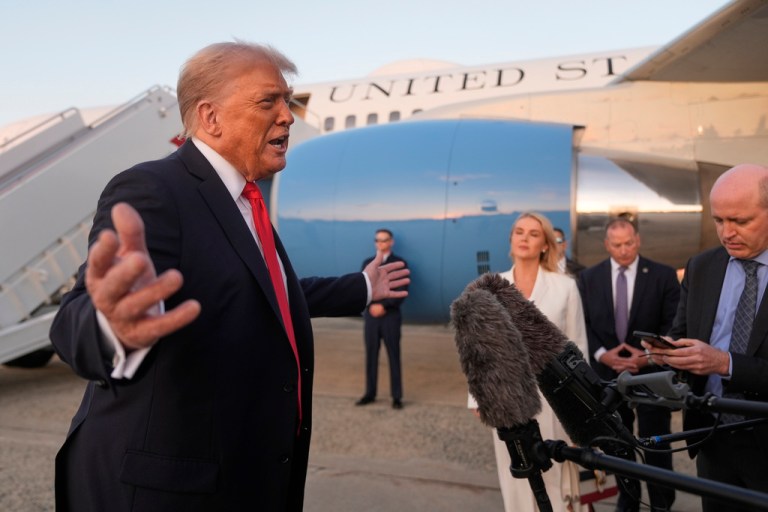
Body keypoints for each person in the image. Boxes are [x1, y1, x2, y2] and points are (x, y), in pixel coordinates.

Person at [48, 42, 409, 512]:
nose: (288, 116)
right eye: (268, 101)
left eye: (287, 100)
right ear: (211, 117)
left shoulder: (243, 200)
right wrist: (109, 326)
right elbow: (76, 318)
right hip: (168, 492)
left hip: (243, 476)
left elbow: (261, 293)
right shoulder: (155, 189)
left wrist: (361, 287)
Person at [648, 164, 768, 512]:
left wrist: (724, 363)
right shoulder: (701, 267)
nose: (727, 232)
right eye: (718, 220)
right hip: (713, 440)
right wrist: (669, 354)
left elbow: (718, 359)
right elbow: (682, 335)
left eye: (740, 221)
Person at [469, 212, 589, 512]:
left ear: (545, 245)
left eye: (534, 234)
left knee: (555, 474)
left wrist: (582, 406)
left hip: (555, 398)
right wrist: (477, 396)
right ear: (511, 239)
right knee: (517, 478)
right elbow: (479, 350)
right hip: (505, 398)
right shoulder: (489, 288)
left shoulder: (564, 286)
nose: (524, 238)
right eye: (519, 232)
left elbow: (578, 347)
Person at [578, 218, 679, 512]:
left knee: (656, 444)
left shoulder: (663, 275)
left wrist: (647, 355)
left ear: (638, 240)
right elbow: (583, 323)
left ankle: (661, 503)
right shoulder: (588, 278)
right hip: (607, 375)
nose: (624, 250)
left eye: (629, 243)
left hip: (651, 374)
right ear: (607, 245)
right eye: (617, 244)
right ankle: (628, 501)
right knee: (617, 445)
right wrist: (602, 354)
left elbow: (674, 323)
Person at [355, 229, 408, 409]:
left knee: (393, 355)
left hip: (390, 316)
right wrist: (371, 306)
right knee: (371, 355)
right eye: (378, 240)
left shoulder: (399, 263)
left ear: (391, 242)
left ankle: (397, 397)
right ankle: (370, 393)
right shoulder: (367, 263)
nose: (381, 243)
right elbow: (362, 288)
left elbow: (402, 289)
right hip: (371, 317)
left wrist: (384, 306)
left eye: (384, 240)